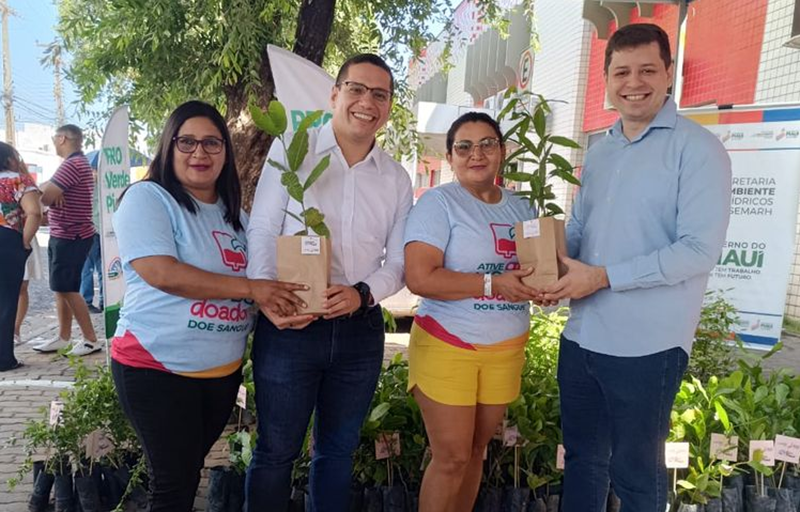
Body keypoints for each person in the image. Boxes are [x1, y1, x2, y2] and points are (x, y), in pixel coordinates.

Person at [539, 24, 732, 511]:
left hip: (646, 347)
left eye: (647, 70)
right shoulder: (601, 151)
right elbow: (580, 231)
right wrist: (547, 268)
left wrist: (602, 277)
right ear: (606, 79)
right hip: (581, 337)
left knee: (636, 477)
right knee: (582, 462)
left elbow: (697, 250)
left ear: (669, 73)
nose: (634, 82)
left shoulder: (698, 149)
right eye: (621, 71)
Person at [111, 100, 306, 512]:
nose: (199, 153)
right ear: (169, 146)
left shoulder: (238, 216)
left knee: (186, 474)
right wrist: (253, 289)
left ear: (225, 152)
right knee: (174, 485)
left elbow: (264, 283)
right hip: (157, 366)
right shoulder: (148, 199)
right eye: (187, 142)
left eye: (212, 143)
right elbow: (162, 272)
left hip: (220, 374)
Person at [245, 53, 413, 511]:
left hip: (359, 331)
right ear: (335, 95)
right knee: (276, 452)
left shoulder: (396, 178)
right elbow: (261, 228)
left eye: (380, 94)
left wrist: (362, 294)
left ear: (389, 106)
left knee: (337, 453)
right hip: (291, 323)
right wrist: (265, 293)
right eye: (356, 89)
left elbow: (397, 261)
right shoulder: (293, 150)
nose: (367, 102)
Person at [403, 112, 539, 510]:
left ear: (502, 151)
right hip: (449, 343)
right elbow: (420, 277)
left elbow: (533, 270)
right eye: (464, 146)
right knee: (452, 457)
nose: (475, 153)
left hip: (506, 347)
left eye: (486, 144)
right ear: (449, 155)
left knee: (477, 450)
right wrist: (492, 283)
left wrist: (543, 287)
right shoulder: (439, 203)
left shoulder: (521, 208)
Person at [35, 124, 100, 356]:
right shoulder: (76, 164)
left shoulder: (72, 165)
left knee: (68, 287)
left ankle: (90, 339)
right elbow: (47, 193)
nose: (53, 143)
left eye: (54, 139)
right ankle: (63, 337)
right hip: (64, 233)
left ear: (62, 138)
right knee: (60, 287)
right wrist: (49, 190)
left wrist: (50, 190)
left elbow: (43, 196)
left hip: (71, 235)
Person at [0, 143, 42, 371]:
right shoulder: (19, 180)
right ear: (8, 160)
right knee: (7, 300)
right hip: (7, 239)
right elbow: (35, 212)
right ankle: (4, 358)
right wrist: (25, 241)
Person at [80, 169, 103, 314]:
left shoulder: (85, 188)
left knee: (89, 268)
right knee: (99, 268)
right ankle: (101, 301)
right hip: (98, 230)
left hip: (92, 230)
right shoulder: (101, 188)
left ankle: (87, 301)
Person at [15, 235, 44, 345]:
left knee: (21, 287)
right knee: (21, 288)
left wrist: (26, 241)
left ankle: (15, 329)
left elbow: (37, 217)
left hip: (23, 236)